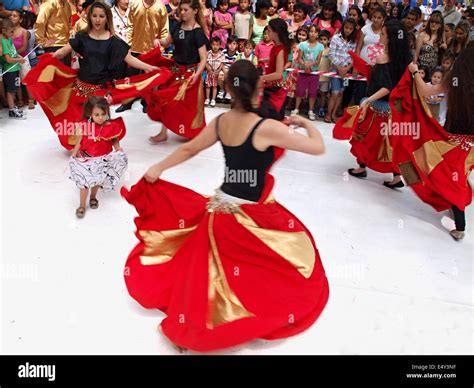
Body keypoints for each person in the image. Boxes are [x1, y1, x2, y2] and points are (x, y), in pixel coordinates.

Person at [122, 60, 329, 352]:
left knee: (217, 271)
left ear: (229, 90)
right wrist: (306, 123)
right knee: (292, 252)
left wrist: (158, 167)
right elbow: (318, 147)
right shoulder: (266, 127)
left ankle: (196, 323)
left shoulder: (221, 121)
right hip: (250, 215)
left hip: (218, 213)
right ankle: (237, 317)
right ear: (258, 87)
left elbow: (189, 148)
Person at [23, 1, 159, 149]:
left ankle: (111, 148)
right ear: (89, 17)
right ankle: (86, 147)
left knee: (100, 118)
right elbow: (63, 51)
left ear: (107, 18)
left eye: (101, 16)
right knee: (79, 120)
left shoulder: (114, 41)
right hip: (81, 87)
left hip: (101, 89)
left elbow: (130, 59)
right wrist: (47, 61)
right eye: (94, 16)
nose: (97, 19)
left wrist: (149, 67)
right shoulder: (82, 37)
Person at [391, 47, 474, 241]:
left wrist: (414, 73)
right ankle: (454, 205)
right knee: (459, 174)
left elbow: (425, 91)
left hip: (452, 141)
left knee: (450, 178)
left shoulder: (455, 80)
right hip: (470, 145)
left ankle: (460, 225)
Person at [342, 19, 412, 188]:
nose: (379, 35)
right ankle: (396, 177)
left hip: (378, 108)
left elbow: (388, 86)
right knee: (390, 144)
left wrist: (368, 100)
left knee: (366, 139)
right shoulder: (404, 58)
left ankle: (362, 168)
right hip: (393, 110)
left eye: (383, 33)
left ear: (390, 38)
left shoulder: (384, 58)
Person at [147, 0, 209, 144]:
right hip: (175, 71)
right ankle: (163, 133)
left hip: (190, 75)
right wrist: (158, 41)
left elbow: (203, 59)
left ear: (195, 11)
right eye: (181, 10)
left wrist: (197, 75)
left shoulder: (198, 32)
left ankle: (191, 132)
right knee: (164, 100)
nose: (182, 12)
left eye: (185, 10)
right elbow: (167, 43)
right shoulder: (178, 27)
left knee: (187, 107)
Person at [69, 96, 128, 218]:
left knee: (96, 181)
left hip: (102, 160)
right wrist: (74, 153)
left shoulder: (110, 126)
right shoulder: (85, 125)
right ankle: (82, 205)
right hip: (86, 159)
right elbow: (79, 141)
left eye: (103, 114)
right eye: (96, 114)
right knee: (84, 184)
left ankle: (93, 197)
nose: (100, 117)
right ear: (90, 114)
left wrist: (118, 149)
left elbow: (114, 140)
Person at [259, 17, 290, 121]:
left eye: (269, 30)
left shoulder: (280, 49)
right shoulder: (275, 47)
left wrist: (261, 78)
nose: (267, 32)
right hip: (270, 87)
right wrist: (267, 60)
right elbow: (275, 60)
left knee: (271, 120)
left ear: (276, 32)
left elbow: (278, 74)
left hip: (275, 90)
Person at [1, 18, 26, 119]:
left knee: (14, 89)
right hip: (10, 70)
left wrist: (19, 57)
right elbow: (8, 59)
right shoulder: (3, 41)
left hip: (15, 69)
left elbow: (14, 53)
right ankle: (11, 110)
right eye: (11, 31)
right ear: (4, 31)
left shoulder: (9, 39)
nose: (13, 33)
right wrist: (18, 60)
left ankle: (13, 107)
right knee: (10, 91)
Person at [35, 0, 72, 66]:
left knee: (65, 72)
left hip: (66, 45)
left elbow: (69, 24)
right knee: (54, 72)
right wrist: (42, 41)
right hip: (53, 45)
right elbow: (40, 23)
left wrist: (71, 39)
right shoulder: (48, 5)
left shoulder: (67, 4)